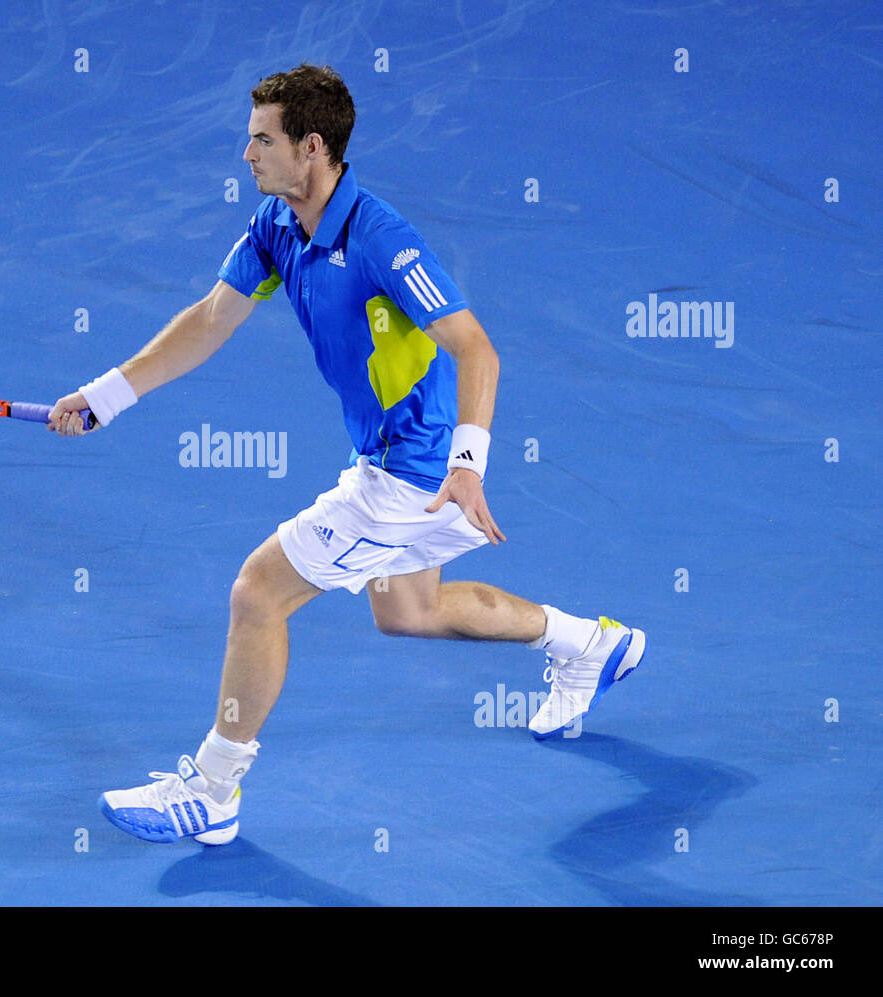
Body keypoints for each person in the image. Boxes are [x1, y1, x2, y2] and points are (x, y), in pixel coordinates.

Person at [48, 63, 646, 845]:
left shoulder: (380, 239)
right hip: (388, 457)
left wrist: (468, 463)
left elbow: (477, 350)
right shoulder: (275, 226)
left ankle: (213, 789)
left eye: (263, 139)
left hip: (417, 468)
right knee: (410, 610)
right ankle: (592, 644)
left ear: (313, 147)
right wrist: (107, 394)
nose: (246, 153)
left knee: (258, 593)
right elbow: (208, 321)